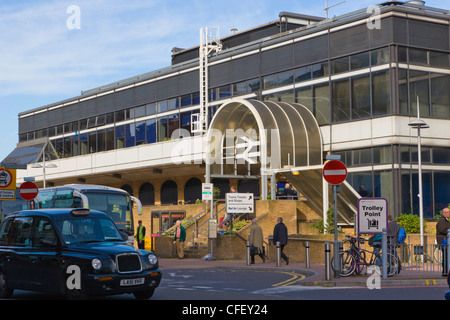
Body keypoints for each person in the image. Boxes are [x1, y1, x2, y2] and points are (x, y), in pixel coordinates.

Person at [436, 207, 450, 276]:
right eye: (448, 212)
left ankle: (446, 272)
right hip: (444, 242)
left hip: (446, 242)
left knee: (447, 257)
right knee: (445, 257)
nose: (449, 213)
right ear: (444, 213)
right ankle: (445, 272)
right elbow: (442, 230)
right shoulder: (442, 220)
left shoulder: (445, 220)